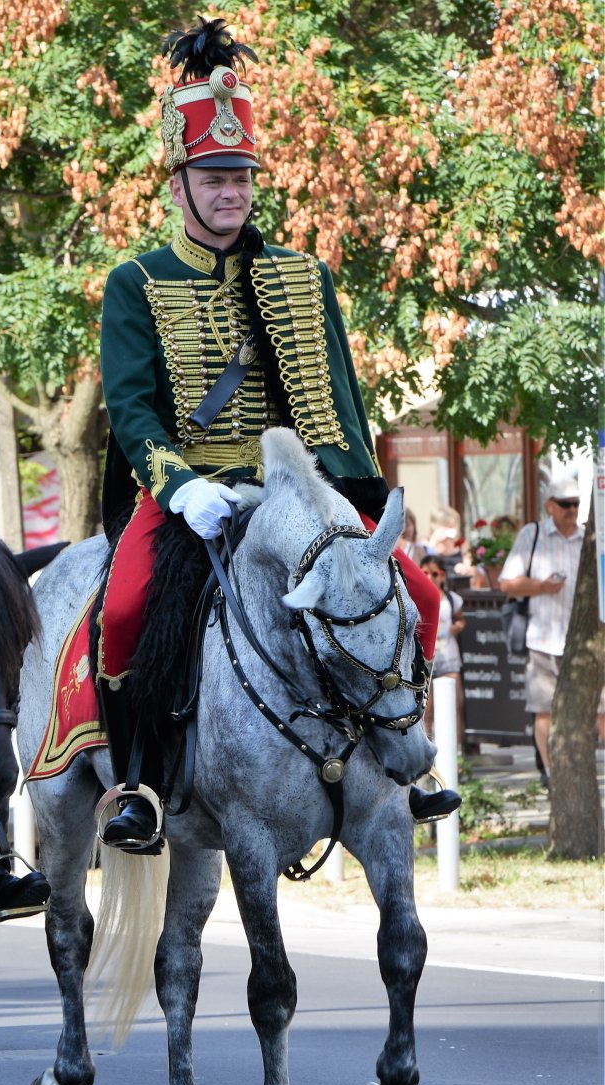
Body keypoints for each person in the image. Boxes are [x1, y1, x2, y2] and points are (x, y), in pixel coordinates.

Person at [94, 19, 453, 850]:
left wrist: (360, 502)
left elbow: (340, 402)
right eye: (213, 177)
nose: (231, 191)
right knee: (125, 608)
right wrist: (182, 488)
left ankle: (404, 756)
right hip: (194, 488)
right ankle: (142, 782)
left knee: (422, 597)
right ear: (177, 184)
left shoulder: (301, 275)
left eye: (241, 177)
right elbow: (132, 409)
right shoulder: (137, 282)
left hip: (299, 490)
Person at [497, 479, 602, 776]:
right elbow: (507, 583)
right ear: (550, 506)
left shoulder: (588, 538)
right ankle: (550, 772)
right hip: (543, 639)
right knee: (544, 709)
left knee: (598, 708)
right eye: (566, 504)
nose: (572, 510)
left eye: (576, 504)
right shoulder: (533, 534)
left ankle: (583, 768)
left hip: (583, 642)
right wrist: (542, 587)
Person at [420, 553, 465, 745]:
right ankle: (428, 751)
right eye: (425, 573)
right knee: (427, 710)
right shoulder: (417, 598)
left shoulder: (451, 599)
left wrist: (458, 627)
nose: (430, 578)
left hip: (449, 656)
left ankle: (456, 750)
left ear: (443, 575)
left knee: (454, 706)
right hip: (427, 660)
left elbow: (461, 619)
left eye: (435, 574)